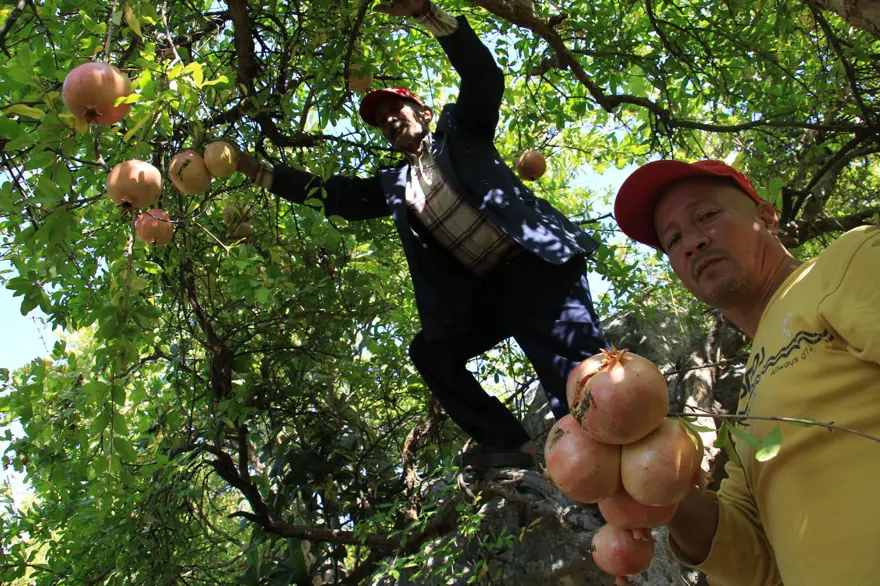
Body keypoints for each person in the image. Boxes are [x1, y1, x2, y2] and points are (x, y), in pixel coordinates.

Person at [234, 0, 608, 468]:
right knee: (431, 353)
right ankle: (516, 446)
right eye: (379, 118)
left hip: (536, 265)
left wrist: (428, 14)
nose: (389, 118)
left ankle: (616, 457)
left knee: (577, 380)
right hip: (487, 296)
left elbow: (484, 80)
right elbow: (335, 196)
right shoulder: (394, 185)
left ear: (424, 112)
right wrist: (258, 171)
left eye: (397, 108)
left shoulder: (461, 131)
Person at [613, 159, 880, 585]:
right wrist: (655, 478)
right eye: (674, 239)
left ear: (766, 216)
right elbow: (753, 559)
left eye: (706, 216)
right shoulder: (748, 406)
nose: (692, 243)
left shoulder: (846, 264)